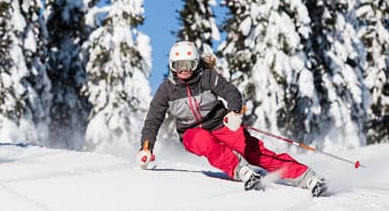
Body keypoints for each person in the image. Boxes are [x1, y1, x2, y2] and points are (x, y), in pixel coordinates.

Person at [137, 40, 327, 197]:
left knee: (253, 151)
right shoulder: (166, 90)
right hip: (191, 133)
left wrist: (234, 112)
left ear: (196, 64)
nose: (184, 70)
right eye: (179, 66)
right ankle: (241, 170)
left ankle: (307, 177)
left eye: (189, 65)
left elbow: (231, 92)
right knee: (204, 141)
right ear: (172, 66)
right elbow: (153, 119)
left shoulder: (207, 77)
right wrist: (146, 148)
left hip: (220, 123)